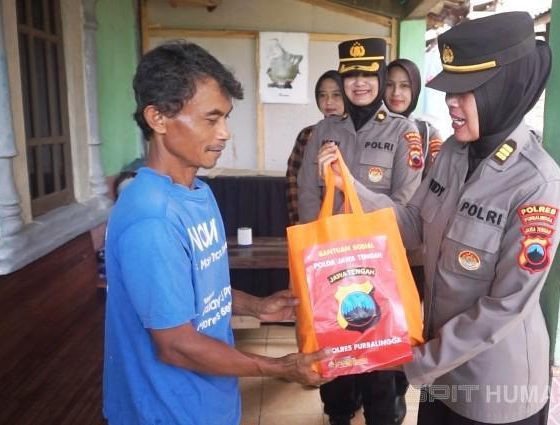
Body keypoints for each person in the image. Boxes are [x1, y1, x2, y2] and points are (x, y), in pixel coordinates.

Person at [319, 12, 560, 425]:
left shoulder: (537, 184)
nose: (452, 101)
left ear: (503, 90)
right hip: (440, 371)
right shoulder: (453, 152)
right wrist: (351, 186)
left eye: (466, 90)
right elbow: (413, 223)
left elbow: (506, 305)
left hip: (494, 386)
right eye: (451, 89)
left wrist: (413, 360)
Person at [103, 41, 329, 425]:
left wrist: (256, 306)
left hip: (210, 400)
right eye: (211, 119)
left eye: (226, 118)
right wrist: (281, 367)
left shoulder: (198, 192)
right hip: (166, 411)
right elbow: (177, 346)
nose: (225, 133)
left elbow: (202, 293)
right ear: (158, 118)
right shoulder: (151, 219)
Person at [297, 38, 423, 425]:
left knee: (380, 377)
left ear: (380, 77)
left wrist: (352, 185)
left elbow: (406, 214)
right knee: (334, 370)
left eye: (368, 74)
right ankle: (338, 415)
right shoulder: (323, 130)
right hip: (330, 270)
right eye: (351, 74)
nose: (359, 82)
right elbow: (307, 194)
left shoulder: (403, 133)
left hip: (379, 275)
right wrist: (313, 257)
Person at [286, 70, 345, 225]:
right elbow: (292, 180)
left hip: (350, 226)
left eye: (336, 95)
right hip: (315, 225)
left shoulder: (358, 135)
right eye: (322, 95)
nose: (328, 102)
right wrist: (299, 221)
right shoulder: (307, 135)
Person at [384, 58, 443, 176]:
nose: (396, 92)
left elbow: (437, 178)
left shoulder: (428, 134)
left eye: (404, 86)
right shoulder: (370, 127)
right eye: (389, 85)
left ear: (415, 89)